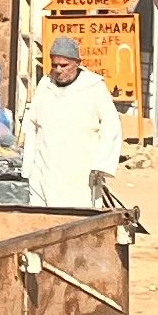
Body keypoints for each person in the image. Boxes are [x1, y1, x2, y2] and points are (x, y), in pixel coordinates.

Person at [21, 36, 122, 208]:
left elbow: (111, 126)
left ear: (77, 63)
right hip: (44, 168)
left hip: (80, 171)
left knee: (78, 214)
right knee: (43, 215)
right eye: (55, 65)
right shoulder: (45, 85)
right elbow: (32, 125)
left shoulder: (93, 86)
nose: (58, 70)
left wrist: (102, 164)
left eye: (64, 65)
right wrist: (29, 164)